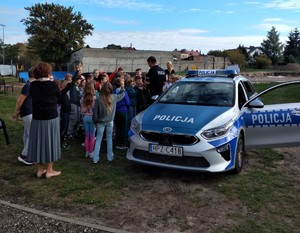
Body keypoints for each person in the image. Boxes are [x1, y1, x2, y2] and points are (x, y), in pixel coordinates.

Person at [27, 62, 61, 178]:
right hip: (51, 117)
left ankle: (40, 170)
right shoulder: (53, 85)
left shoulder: (33, 85)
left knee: (38, 142)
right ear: (48, 71)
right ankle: (49, 170)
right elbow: (60, 98)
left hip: (37, 117)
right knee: (50, 142)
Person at [92, 81, 126, 164]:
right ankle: (110, 156)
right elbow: (123, 94)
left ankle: (95, 158)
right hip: (110, 121)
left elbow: (95, 112)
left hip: (101, 122)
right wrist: (122, 87)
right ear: (111, 89)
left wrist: (95, 121)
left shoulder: (99, 99)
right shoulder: (114, 97)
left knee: (99, 139)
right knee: (109, 138)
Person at [12, 68, 35, 166]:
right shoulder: (28, 86)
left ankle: (28, 154)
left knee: (27, 134)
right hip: (28, 112)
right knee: (32, 135)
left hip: (28, 112)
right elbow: (19, 101)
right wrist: (16, 112)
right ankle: (23, 155)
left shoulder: (31, 85)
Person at [114, 78, 130, 150]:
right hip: (123, 111)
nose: (124, 82)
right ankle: (122, 143)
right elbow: (128, 102)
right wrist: (126, 107)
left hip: (116, 111)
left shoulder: (114, 91)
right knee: (123, 128)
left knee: (118, 127)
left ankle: (117, 143)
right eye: (122, 81)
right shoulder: (124, 91)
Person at [81, 82, 95, 158]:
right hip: (92, 118)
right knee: (92, 136)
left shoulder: (83, 98)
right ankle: (91, 152)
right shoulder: (95, 97)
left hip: (85, 118)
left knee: (87, 135)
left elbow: (82, 110)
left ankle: (87, 151)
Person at [58, 79, 72, 149]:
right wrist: (77, 71)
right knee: (63, 129)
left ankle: (61, 143)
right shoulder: (62, 93)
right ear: (63, 86)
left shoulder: (63, 93)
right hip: (64, 113)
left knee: (64, 129)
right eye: (65, 85)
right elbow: (70, 85)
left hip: (66, 113)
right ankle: (60, 144)